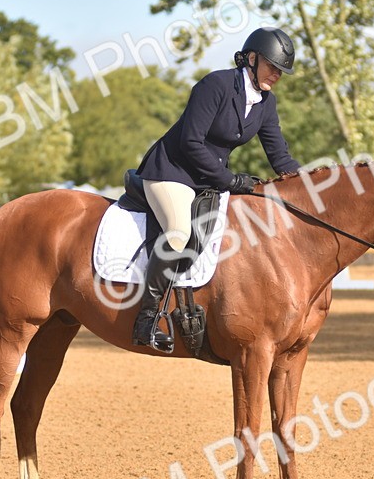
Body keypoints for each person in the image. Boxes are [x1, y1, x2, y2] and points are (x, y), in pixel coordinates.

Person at [130, 26, 303, 352]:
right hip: (172, 172)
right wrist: (228, 179)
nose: (277, 75)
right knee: (180, 233)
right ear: (251, 59)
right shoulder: (216, 85)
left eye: (281, 71)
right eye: (272, 66)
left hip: (208, 180)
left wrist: (308, 187)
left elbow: (278, 154)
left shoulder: (266, 102)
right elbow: (190, 142)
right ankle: (148, 317)